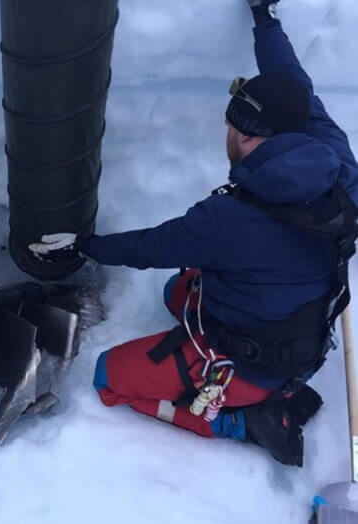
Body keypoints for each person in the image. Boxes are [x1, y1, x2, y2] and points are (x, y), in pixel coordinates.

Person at [29, 0, 358, 466]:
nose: (225, 126)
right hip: (297, 332)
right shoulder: (338, 162)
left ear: (247, 136)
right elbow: (293, 83)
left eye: (231, 122)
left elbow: (149, 246)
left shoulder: (229, 220)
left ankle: (240, 421)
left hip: (247, 364)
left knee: (107, 377)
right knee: (175, 293)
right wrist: (265, 19)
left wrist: (85, 245)